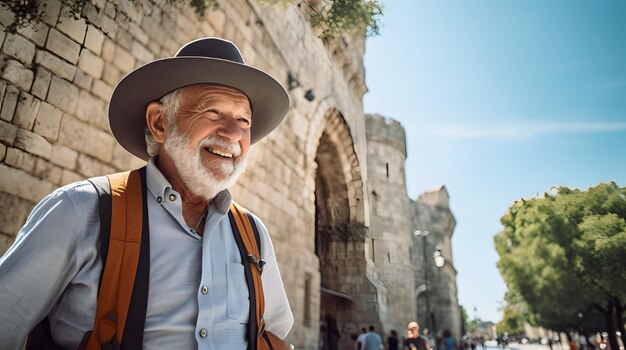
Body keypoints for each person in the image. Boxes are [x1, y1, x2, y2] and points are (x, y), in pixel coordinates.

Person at [0, 37, 294, 349]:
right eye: (212, 111)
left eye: (243, 120)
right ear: (159, 122)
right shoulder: (79, 210)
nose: (234, 133)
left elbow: (272, 335)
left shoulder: (253, 234)